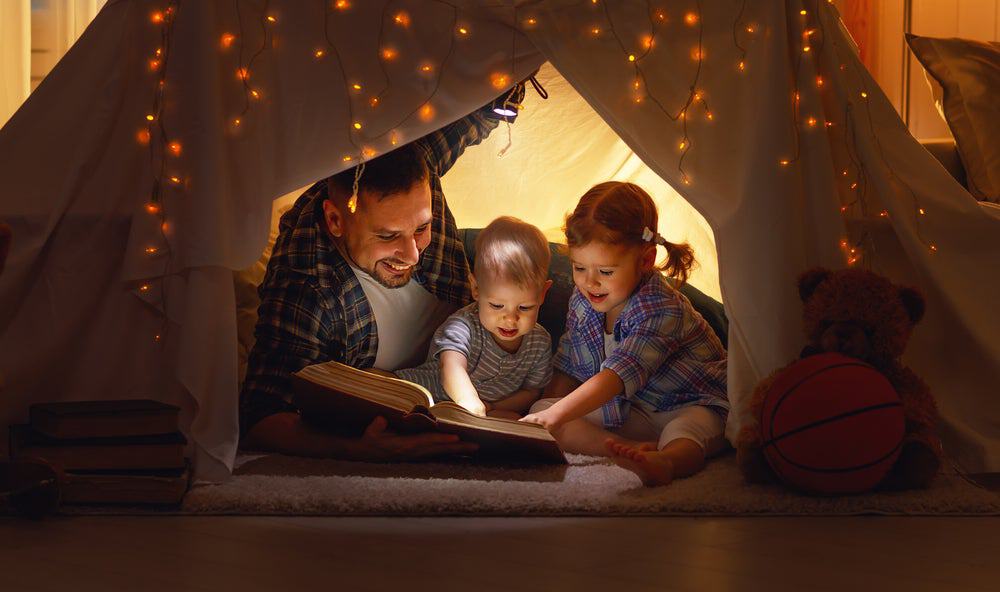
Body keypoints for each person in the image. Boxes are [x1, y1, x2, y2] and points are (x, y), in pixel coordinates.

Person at [240, 90, 523, 461]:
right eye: (388, 237)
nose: (412, 254)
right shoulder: (305, 282)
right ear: (335, 220)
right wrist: (357, 449)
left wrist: (512, 74)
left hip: (487, 322)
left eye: (422, 228)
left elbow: (475, 111)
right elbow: (261, 416)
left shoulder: (416, 164)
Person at [521, 181, 729, 487]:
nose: (590, 283)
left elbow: (616, 376)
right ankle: (627, 450)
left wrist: (555, 416)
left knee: (689, 429)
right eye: (579, 268)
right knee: (545, 411)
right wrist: (546, 414)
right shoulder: (582, 302)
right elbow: (568, 365)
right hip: (633, 412)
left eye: (605, 272)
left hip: (690, 403)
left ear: (645, 260)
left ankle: (666, 461)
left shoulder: (661, 308)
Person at [396, 216, 553, 421]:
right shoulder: (463, 326)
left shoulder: (539, 343)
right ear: (476, 289)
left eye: (525, 307)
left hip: (486, 411)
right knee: (390, 393)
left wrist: (491, 406)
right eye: (497, 306)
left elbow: (531, 392)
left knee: (515, 421)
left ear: (542, 294)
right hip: (430, 396)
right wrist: (468, 402)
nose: (510, 319)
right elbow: (451, 366)